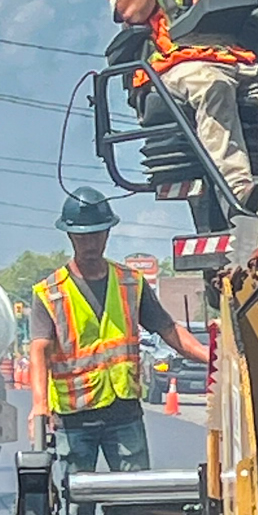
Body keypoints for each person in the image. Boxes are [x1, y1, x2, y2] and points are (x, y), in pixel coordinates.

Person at [26, 187, 211, 468]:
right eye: (83, 236)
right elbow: (38, 350)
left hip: (123, 414)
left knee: (133, 497)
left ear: (108, 234)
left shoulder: (130, 283)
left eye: (96, 235)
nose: (90, 243)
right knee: (78, 499)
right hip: (74, 416)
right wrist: (39, 406)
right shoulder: (50, 293)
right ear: (70, 236)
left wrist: (212, 358)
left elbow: (168, 330)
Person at [107, 0, 258, 204]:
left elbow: (247, 13)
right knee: (210, 83)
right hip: (169, 69)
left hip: (230, 57)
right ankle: (240, 190)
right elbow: (131, 13)